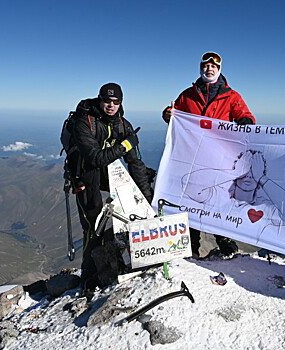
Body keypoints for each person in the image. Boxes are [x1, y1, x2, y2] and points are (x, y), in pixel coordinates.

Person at [162, 51, 255, 258]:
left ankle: (224, 240)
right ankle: (191, 243)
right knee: (191, 198)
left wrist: (245, 124)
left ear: (219, 70)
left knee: (219, 198)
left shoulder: (231, 96)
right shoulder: (188, 94)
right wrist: (167, 114)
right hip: (192, 157)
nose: (209, 69)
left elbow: (246, 116)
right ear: (200, 68)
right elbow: (174, 112)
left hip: (218, 158)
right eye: (205, 65)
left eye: (213, 66)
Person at [70, 82, 153, 289]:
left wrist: (146, 199)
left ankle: (129, 258)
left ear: (121, 103)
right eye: (107, 101)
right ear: (100, 100)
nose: (111, 105)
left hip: (108, 174)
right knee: (93, 225)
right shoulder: (84, 122)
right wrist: (126, 144)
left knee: (146, 181)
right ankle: (88, 277)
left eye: (116, 102)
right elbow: (96, 158)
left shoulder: (123, 125)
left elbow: (136, 163)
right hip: (85, 174)